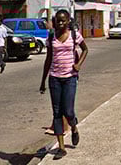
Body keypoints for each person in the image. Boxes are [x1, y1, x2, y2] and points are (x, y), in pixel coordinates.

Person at [39, 10, 88, 160]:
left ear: (68, 21)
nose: (60, 23)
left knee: (68, 110)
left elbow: (85, 49)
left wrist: (79, 64)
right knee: (57, 113)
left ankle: (73, 127)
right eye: (58, 21)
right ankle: (61, 147)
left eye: (63, 21)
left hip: (70, 78)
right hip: (54, 78)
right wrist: (42, 81)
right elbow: (48, 59)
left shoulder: (74, 35)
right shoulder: (52, 36)